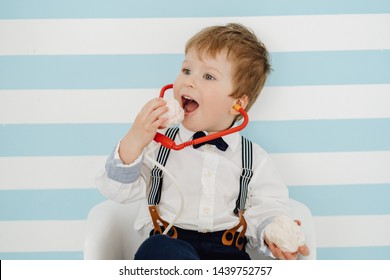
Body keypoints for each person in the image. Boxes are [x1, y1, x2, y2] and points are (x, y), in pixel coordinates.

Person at [96, 23, 309, 260]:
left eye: (208, 76)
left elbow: (268, 206)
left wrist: (275, 232)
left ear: (238, 103)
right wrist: (135, 139)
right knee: (156, 250)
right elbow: (117, 191)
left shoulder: (254, 159)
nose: (189, 82)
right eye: (186, 70)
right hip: (169, 247)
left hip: (227, 253)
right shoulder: (156, 147)